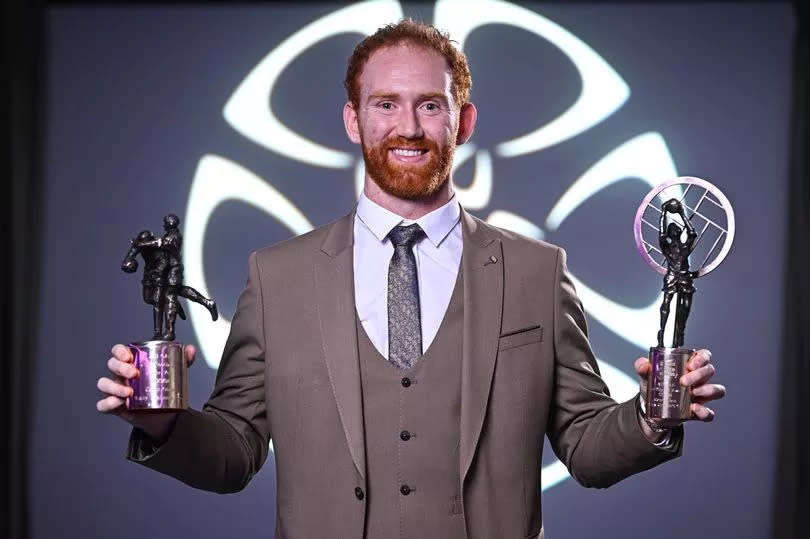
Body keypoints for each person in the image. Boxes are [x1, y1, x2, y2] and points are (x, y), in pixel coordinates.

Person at [97, 20, 725, 538]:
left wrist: (650, 417)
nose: (409, 127)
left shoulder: (538, 272)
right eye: (386, 104)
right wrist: (164, 425)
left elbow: (586, 446)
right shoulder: (276, 277)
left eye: (431, 104)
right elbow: (234, 452)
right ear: (353, 121)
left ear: (464, 122)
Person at [657, 199, 698, 348]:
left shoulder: (685, 245)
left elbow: (692, 232)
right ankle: (661, 335)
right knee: (666, 305)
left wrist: (681, 213)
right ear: (669, 232)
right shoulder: (666, 246)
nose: (675, 229)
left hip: (685, 277)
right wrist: (663, 212)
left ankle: (680, 332)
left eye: (677, 228)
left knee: (686, 306)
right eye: (672, 228)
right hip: (672, 277)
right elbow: (661, 233)